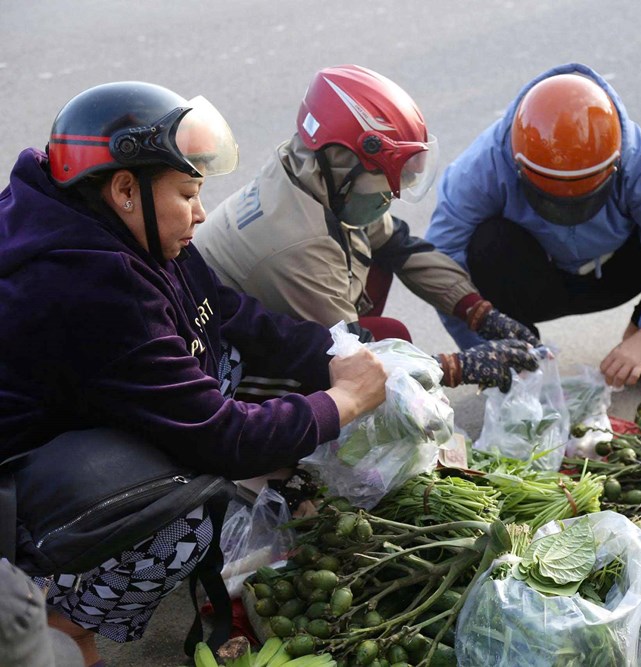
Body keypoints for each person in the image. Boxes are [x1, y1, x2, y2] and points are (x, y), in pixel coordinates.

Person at [0, 81, 389, 667]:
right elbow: (224, 439)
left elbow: (224, 312)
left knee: (220, 356)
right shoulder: (91, 285)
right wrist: (344, 402)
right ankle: (66, 616)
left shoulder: (109, 223)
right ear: (126, 189)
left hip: (71, 419)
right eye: (187, 193)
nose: (201, 213)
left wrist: (330, 352)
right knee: (190, 512)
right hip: (16, 480)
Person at [194, 65, 540, 395]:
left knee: (380, 264)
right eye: (387, 181)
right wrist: (456, 367)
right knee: (390, 338)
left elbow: (401, 247)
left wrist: (481, 313)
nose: (393, 193)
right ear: (342, 160)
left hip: (260, 321)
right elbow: (358, 363)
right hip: (230, 373)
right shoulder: (296, 242)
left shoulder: (312, 175)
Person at [424, 62, 641, 396]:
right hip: (533, 284)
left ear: (614, 163)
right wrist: (483, 348)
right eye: (553, 199)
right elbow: (440, 267)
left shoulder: (640, 158)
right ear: (519, 164)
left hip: (614, 274)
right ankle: (517, 360)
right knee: (484, 243)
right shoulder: (483, 166)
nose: (568, 209)